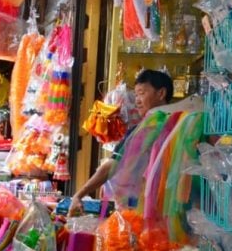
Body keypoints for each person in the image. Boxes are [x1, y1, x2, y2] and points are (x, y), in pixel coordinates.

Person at [69, 69, 172, 215]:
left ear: (161, 93)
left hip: (147, 213)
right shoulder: (180, 124)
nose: (137, 100)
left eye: (142, 93)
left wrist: (79, 194)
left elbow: (111, 166)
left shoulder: (142, 132)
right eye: (135, 95)